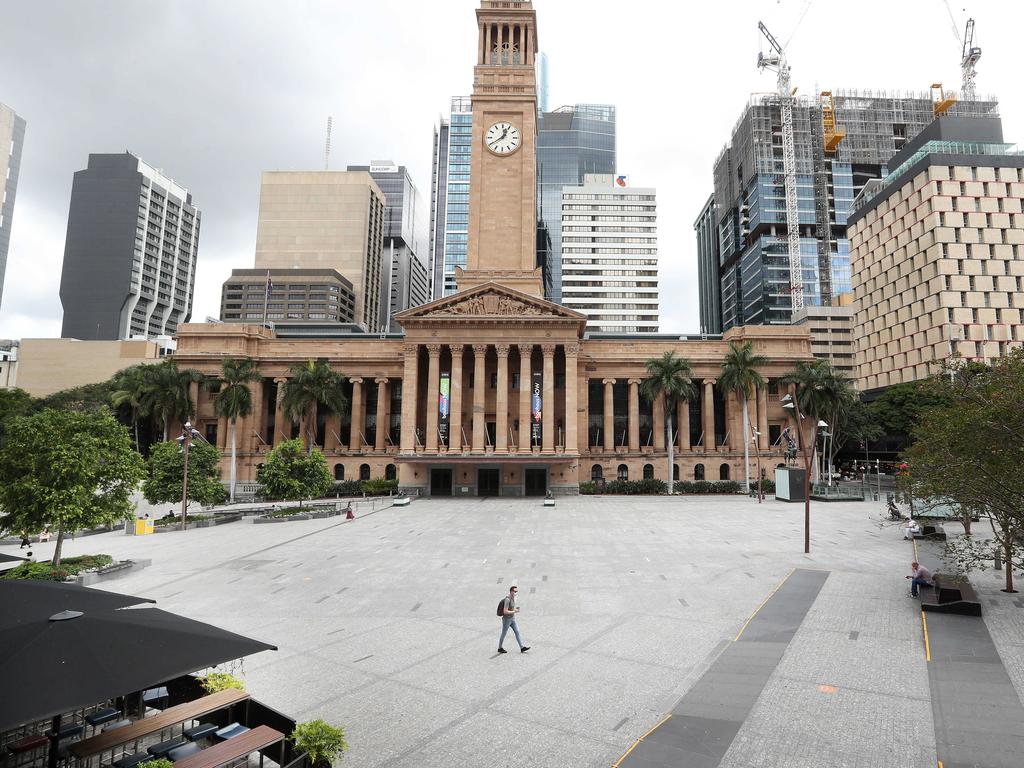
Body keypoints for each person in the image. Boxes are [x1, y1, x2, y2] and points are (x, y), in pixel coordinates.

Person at [498, 586, 530, 654]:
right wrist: (514, 611)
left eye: (516, 592)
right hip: (506, 620)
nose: (516, 593)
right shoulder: (507, 599)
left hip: (512, 619)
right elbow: (505, 611)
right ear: (511, 591)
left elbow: (511, 609)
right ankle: (500, 648)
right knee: (503, 634)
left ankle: (522, 647)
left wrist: (515, 610)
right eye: (515, 591)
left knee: (517, 632)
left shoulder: (513, 598)